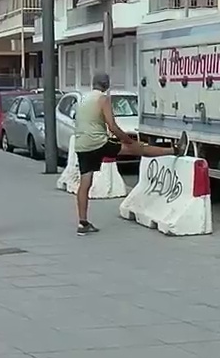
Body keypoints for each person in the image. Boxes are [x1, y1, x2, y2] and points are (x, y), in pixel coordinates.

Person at [73, 72, 173, 236]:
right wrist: (128, 140)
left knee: (85, 182)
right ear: (106, 84)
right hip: (98, 142)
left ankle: (82, 223)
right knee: (137, 149)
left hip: (81, 145)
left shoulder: (84, 98)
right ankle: (173, 150)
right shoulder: (103, 99)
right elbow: (112, 126)